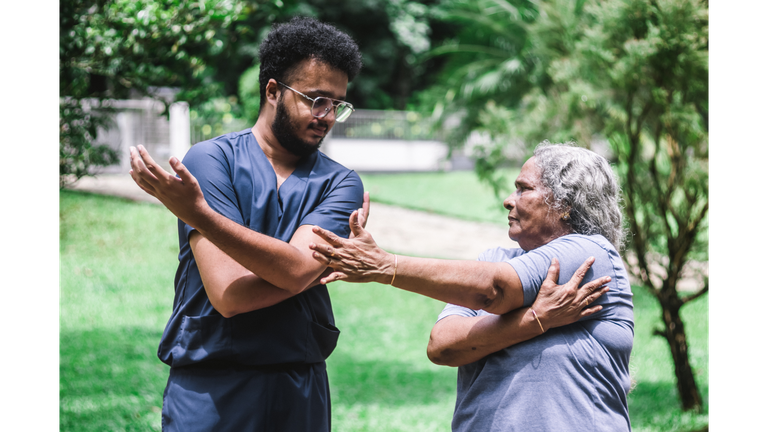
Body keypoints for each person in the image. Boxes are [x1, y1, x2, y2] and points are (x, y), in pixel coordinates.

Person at [129, 17, 366, 431]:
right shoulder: (210, 160)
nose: (326, 116)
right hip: (210, 391)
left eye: (337, 105)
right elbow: (229, 295)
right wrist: (307, 275)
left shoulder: (342, 182)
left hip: (300, 389)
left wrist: (199, 213)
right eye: (315, 99)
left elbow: (293, 270)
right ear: (273, 90)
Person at [309, 143, 634, 431]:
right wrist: (535, 320)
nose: (509, 200)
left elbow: (495, 290)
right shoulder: (494, 259)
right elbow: (443, 347)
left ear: (564, 204)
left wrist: (386, 266)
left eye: (523, 189)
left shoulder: (592, 255)